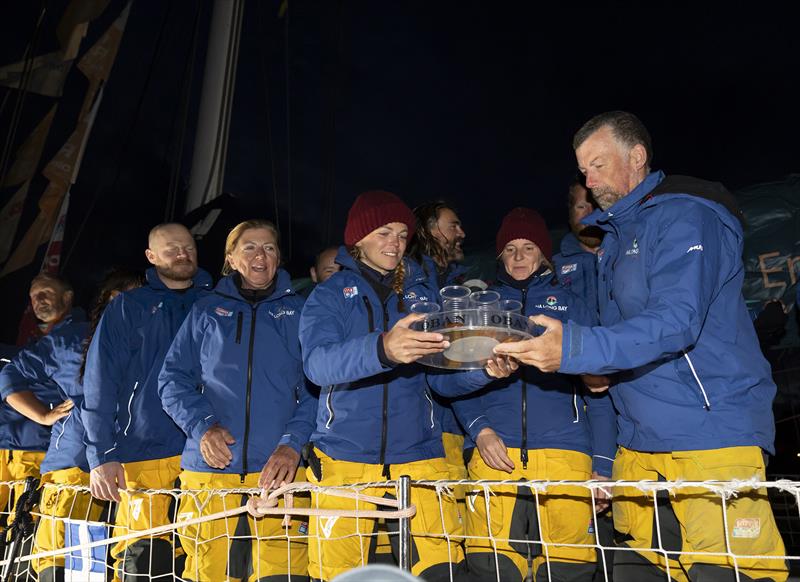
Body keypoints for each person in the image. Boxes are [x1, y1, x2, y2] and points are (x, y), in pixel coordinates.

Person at [495, 111, 788, 582]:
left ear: (637, 157)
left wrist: (574, 350)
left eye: (598, 165)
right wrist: (598, 376)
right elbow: (628, 341)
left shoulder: (686, 215)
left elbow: (676, 322)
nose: (588, 181)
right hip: (640, 448)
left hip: (707, 437)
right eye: (582, 171)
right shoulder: (616, 238)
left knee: (728, 573)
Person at [299, 190, 467, 582]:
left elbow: (443, 381)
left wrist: (486, 370)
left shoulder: (421, 295)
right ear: (358, 238)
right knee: (341, 575)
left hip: (419, 456)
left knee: (441, 571)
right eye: (383, 232)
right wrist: (383, 348)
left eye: (402, 234)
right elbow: (317, 365)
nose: (395, 243)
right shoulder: (328, 296)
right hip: (345, 460)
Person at [441, 208, 615, 582]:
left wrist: (603, 465)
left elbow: (598, 391)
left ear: (544, 253)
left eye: (529, 247)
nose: (519, 256)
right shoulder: (478, 307)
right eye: (510, 248)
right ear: (500, 254)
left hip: (565, 455)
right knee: (492, 568)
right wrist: (481, 430)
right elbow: (454, 382)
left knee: (568, 570)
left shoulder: (572, 306)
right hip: (494, 453)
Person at [159, 219, 314, 581]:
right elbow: (171, 380)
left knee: (284, 573)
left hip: (279, 470)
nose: (261, 255)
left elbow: (317, 388)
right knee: (205, 572)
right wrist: (202, 427)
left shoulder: (302, 312)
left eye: (270, 248)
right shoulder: (205, 310)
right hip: (210, 470)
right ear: (231, 257)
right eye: (250, 247)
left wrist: (292, 445)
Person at [82, 223, 212, 580]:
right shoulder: (127, 307)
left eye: (188, 246)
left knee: (208, 557)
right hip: (144, 453)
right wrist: (101, 456)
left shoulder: (219, 304)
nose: (182, 253)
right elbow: (99, 383)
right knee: (144, 560)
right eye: (171, 248)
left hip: (209, 453)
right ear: (151, 257)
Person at [3, 270, 142, 581]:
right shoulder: (70, 339)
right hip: (74, 460)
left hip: (136, 461)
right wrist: (42, 414)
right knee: (61, 550)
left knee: (125, 551)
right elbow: (11, 375)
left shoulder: (155, 341)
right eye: (122, 298)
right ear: (106, 302)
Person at [0, 273, 77, 522]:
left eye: (46, 292)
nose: (39, 300)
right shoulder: (31, 342)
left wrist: (45, 416)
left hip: (38, 451)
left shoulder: (76, 338)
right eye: (34, 296)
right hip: (5, 448)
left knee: (24, 528)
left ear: (67, 297)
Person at [408, 202, 471, 495]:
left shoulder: (465, 284)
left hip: (458, 422)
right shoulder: (407, 279)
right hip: (418, 426)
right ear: (432, 230)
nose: (462, 232)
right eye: (453, 225)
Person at [552, 176, 604, 315]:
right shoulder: (551, 265)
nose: (590, 214)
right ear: (570, 215)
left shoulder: (628, 254)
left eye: (597, 206)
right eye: (581, 207)